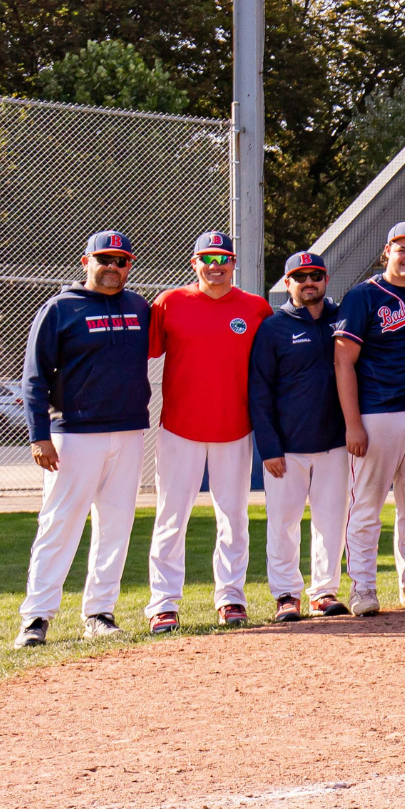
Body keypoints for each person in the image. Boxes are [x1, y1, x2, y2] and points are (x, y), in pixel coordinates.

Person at [14, 231, 152, 649]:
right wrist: (40, 436)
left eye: (122, 260)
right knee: (59, 525)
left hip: (127, 432)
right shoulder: (60, 309)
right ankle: (36, 618)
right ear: (86, 261)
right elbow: (35, 379)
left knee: (116, 525)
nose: (113, 266)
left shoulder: (138, 306)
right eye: (105, 258)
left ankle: (99, 612)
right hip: (73, 434)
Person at [145, 230, 274, 631]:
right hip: (179, 429)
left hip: (235, 427)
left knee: (233, 517)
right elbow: (141, 351)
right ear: (194, 263)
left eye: (223, 259)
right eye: (208, 259)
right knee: (171, 517)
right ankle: (163, 603)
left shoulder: (256, 308)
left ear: (234, 264)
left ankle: (231, 597)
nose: (216, 267)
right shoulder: (170, 303)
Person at [334, 221, 405, 615]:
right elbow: (343, 362)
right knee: (366, 506)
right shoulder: (362, 296)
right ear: (387, 251)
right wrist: (353, 423)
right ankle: (363, 588)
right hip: (378, 414)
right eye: (403, 250)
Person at [250, 250, 350, 622]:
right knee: (283, 522)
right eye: (301, 276)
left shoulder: (341, 319)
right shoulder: (273, 328)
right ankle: (286, 595)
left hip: (336, 443)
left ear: (325, 280)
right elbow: (258, 392)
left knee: (331, 522)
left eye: (316, 275)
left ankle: (323, 592)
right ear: (288, 283)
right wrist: (269, 448)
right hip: (287, 448)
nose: (310, 282)